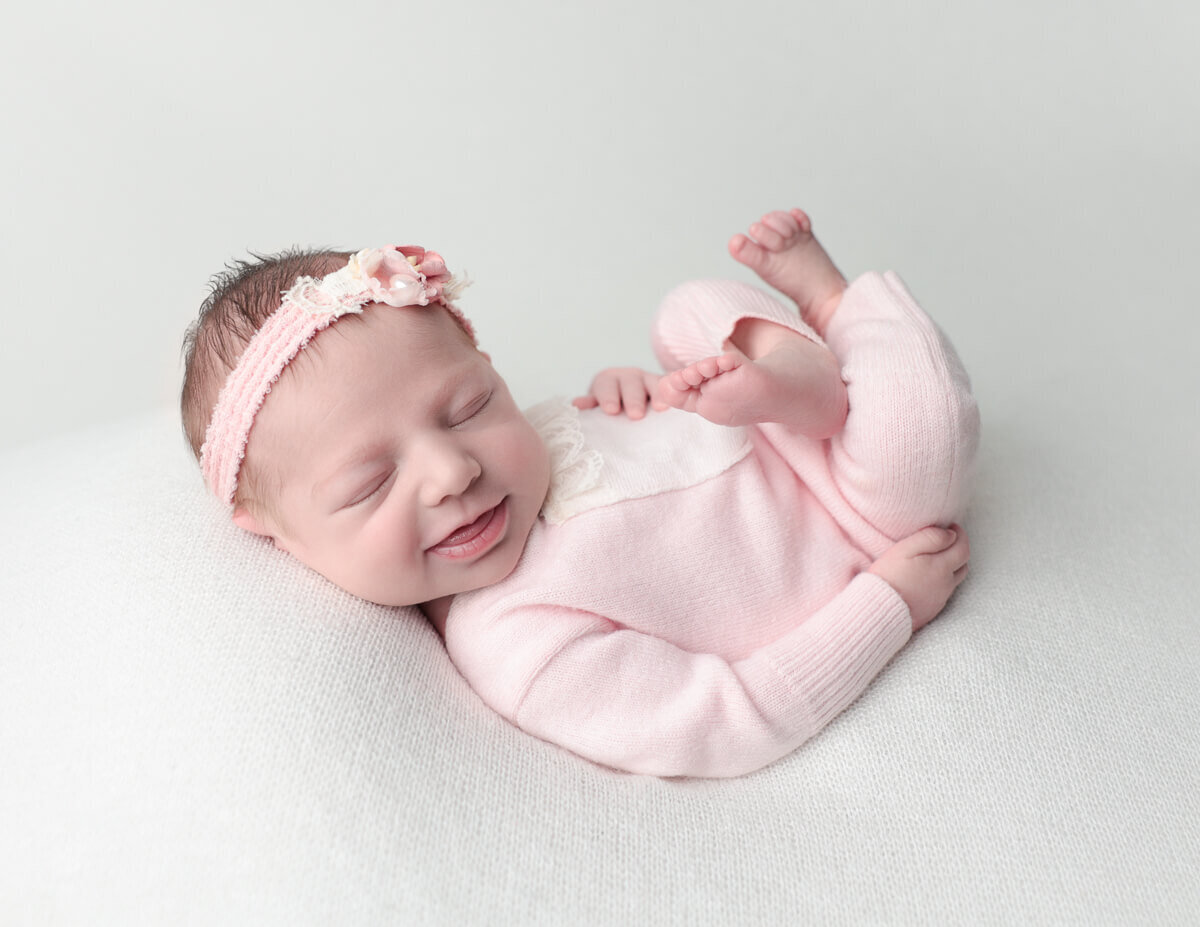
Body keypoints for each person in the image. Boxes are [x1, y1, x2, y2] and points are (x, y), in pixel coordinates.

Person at [180, 209, 979, 778]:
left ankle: (800, 379)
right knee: (923, 427)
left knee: (687, 311)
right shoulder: (519, 642)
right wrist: (888, 605)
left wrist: (641, 393)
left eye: (470, 407)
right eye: (372, 482)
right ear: (276, 533)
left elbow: (624, 448)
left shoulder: (523, 446)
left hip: (782, 428)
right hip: (861, 521)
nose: (453, 471)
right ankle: (840, 309)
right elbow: (726, 722)